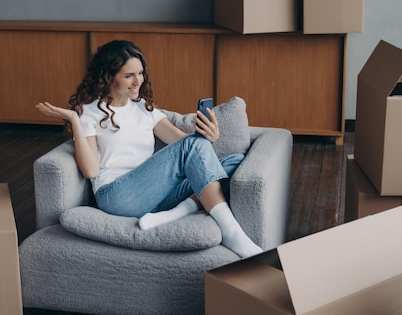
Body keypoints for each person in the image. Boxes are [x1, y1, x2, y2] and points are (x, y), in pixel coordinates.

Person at [35, 40, 262, 258]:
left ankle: (176, 212)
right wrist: (75, 120)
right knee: (195, 147)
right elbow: (91, 171)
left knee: (234, 160)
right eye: (129, 76)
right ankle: (233, 234)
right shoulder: (90, 112)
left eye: (141, 73)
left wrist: (210, 137)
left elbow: (186, 144)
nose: (138, 82)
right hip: (117, 195)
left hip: (154, 197)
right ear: (108, 77)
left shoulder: (144, 108)